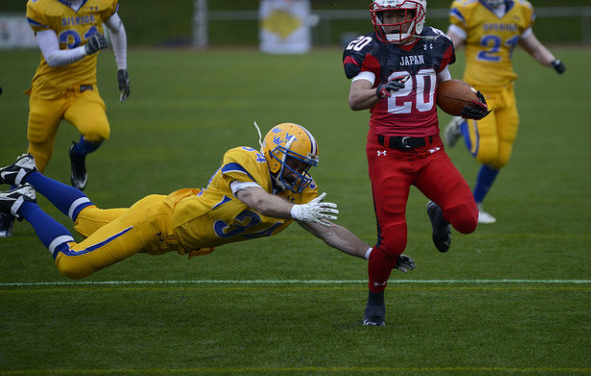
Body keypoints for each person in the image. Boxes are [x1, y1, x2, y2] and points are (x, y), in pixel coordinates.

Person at [0, 122, 415, 280]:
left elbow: (330, 232)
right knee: (73, 262)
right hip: (157, 220)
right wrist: (294, 211)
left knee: (88, 219)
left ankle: (27, 173)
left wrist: (374, 254)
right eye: (295, 164)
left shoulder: (296, 192)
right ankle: (22, 203)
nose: (301, 174)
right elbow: (256, 200)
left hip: (173, 234)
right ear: (273, 154)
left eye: (305, 166)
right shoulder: (244, 161)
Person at [343, 0, 490, 326]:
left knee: (467, 221)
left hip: (430, 150)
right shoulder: (369, 50)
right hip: (387, 153)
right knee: (392, 241)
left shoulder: (437, 44)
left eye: (401, 14)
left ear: (419, 14)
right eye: (387, 15)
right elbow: (354, 99)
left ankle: (438, 213)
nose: (392, 22)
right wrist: (380, 91)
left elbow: (445, 89)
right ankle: (375, 300)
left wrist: (468, 105)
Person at [0, 0, 131, 238]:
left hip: (83, 89)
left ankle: (78, 154)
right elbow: (52, 57)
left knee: (98, 131)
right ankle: (7, 211)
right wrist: (87, 48)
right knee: (35, 160)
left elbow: (118, 29)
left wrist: (122, 68)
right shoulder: (41, 6)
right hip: (47, 91)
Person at [443, 0, 566, 224]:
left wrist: (553, 61)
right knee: (486, 152)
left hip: (506, 91)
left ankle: (475, 204)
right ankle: (461, 122)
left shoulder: (520, 10)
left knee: (501, 158)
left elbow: (532, 45)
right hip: (478, 92)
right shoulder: (468, 10)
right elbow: (450, 45)